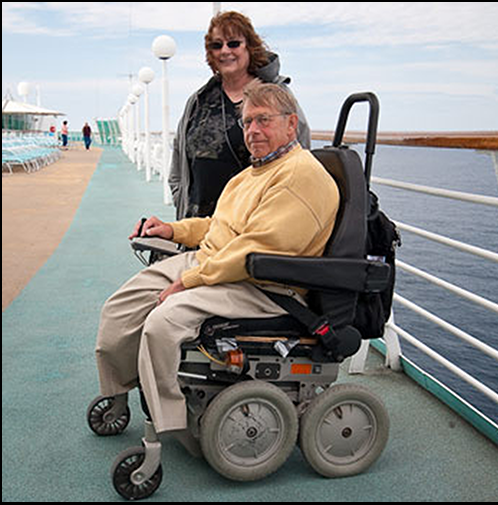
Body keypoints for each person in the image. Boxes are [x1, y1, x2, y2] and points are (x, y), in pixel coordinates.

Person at [95, 83, 339, 434]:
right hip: (216, 264)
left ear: (291, 124)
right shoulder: (253, 173)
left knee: (163, 323)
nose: (252, 131)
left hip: (261, 284)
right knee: (121, 307)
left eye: (263, 121)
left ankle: (167, 425)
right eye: (247, 122)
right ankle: (118, 391)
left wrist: (189, 281)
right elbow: (220, 226)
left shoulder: (301, 175)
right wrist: (174, 230)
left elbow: (257, 249)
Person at [170, 11, 311, 221]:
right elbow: (179, 157)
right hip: (197, 226)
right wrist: (181, 198)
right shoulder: (199, 100)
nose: (225, 51)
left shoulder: (275, 96)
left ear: (250, 47)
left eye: (233, 43)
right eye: (217, 45)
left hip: (252, 226)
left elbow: (300, 155)